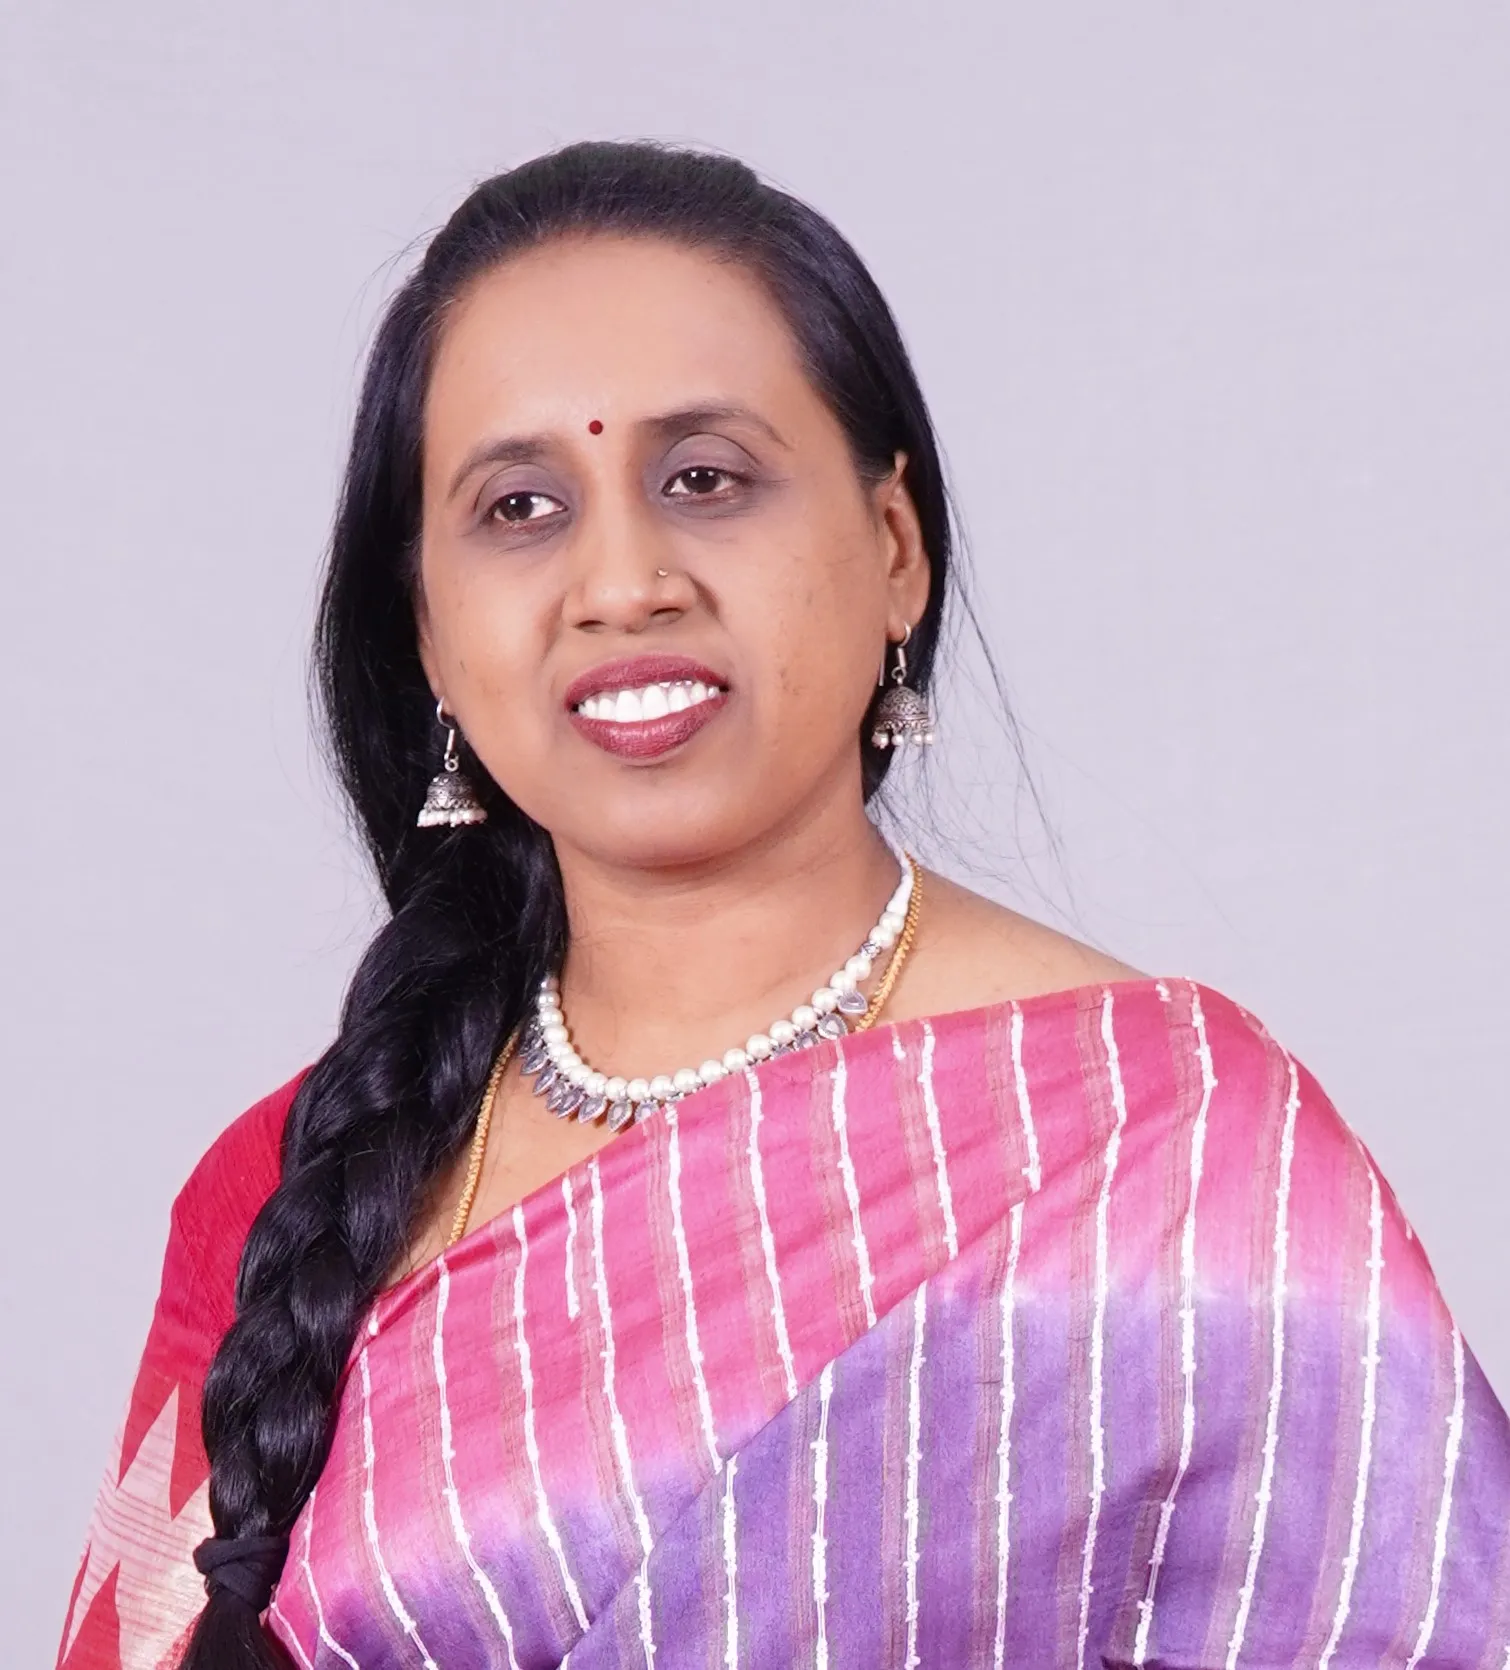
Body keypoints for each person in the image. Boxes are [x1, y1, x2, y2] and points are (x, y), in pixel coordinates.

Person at [57, 141, 1510, 1670]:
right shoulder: (292, 1182)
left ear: (893, 550)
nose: (622, 580)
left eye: (705, 479)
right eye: (519, 507)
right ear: (427, 631)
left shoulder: (1172, 1158)